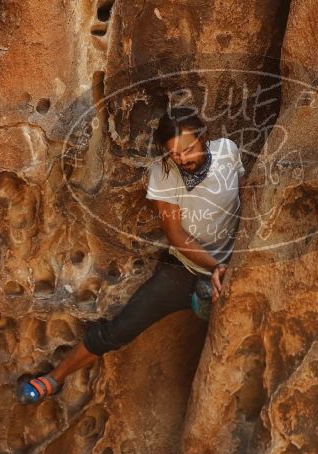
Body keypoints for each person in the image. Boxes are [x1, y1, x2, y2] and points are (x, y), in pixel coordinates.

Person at [17, 107, 244, 404]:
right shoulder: (162, 173)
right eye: (175, 154)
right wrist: (218, 267)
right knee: (120, 328)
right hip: (185, 267)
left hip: (230, 262)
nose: (183, 159)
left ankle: (201, 301)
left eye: (188, 149)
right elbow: (176, 235)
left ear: (204, 136)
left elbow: (243, 196)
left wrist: (236, 261)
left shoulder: (228, 151)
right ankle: (54, 378)